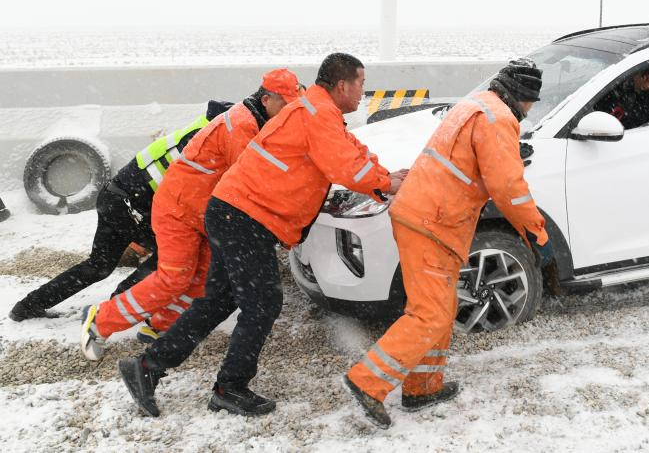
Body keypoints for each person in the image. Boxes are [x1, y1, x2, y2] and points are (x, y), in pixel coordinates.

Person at [118, 53, 406, 418]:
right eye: (362, 83)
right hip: (244, 217)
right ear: (343, 84)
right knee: (264, 303)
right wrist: (384, 183)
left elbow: (353, 152)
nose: (364, 91)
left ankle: (147, 368)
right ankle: (230, 387)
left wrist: (387, 176)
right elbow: (345, 166)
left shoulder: (319, 112)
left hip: (233, 212)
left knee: (218, 301)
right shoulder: (315, 114)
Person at [344, 57, 551, 429]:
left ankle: (423, 387)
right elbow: (508, 189)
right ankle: (367, 382)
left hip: (425, 215)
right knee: (431, 313)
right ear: (521, 97)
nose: (530, 110)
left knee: (439, 304)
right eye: (531, 103)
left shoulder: (475, 106)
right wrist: (536, 230)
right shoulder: (499, 119)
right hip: (434, 220)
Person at [80, 69, 302, 360]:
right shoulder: (243, 126)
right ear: (266, 98)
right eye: (287, 104)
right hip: (179, 210)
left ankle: (160, 326)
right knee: (173, 277)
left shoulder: (254, 121)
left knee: (202, 278)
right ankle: (100, 319)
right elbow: (254, 182)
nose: (290, 111)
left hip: (204, 214)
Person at [8, 101, 230, 322]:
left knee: (99, 265)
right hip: (133, 205)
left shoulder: (203, 127)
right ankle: (115, 309)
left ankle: (28, 306)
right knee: (173, 258)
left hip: (114, 196)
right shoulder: (206, 143)